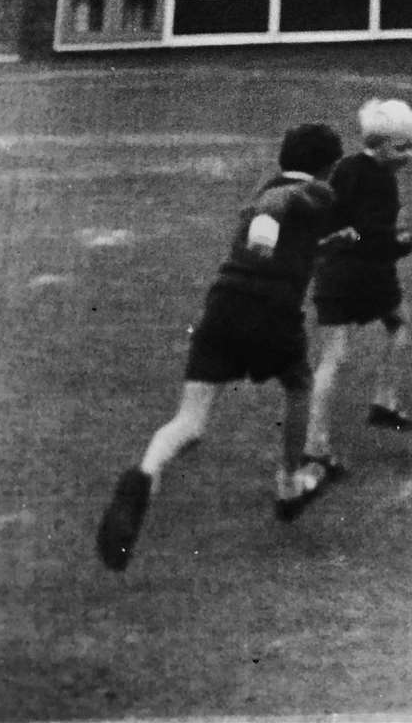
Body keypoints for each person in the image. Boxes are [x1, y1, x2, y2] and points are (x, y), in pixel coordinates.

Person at [97, 122, 344, 573]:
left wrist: (324, 245)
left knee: (188, 423)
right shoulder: (310, 194)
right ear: (327, 167)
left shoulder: (266, 189)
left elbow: (285, 238)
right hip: (272, 315)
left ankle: (145, 474)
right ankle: (289, 483)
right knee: (299, 385)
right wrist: (271, 225)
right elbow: (280, 209)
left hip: (223, 307)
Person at [302, 98, 412, 480]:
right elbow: (373, 236)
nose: (410, 154)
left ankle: (315, 445)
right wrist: (402, 241)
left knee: (332, 358)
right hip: (364, 274)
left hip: (332, 274)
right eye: (403, 147)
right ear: (381, 145)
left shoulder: (345, 168)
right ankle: (382, 400)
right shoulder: (378, 180)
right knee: (399, 322)